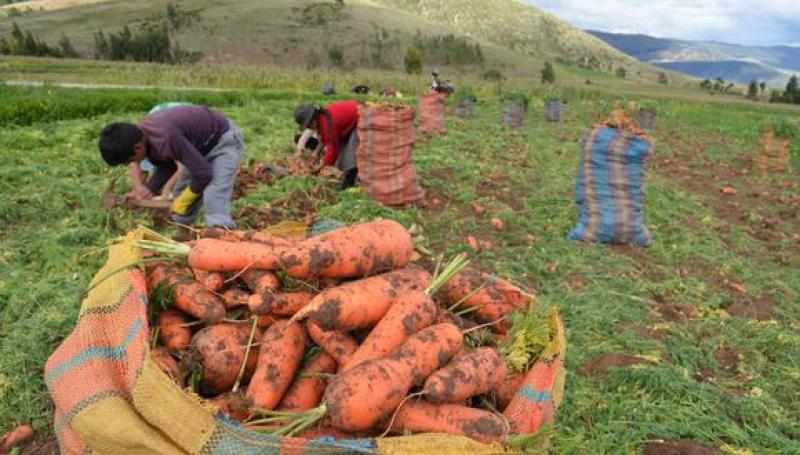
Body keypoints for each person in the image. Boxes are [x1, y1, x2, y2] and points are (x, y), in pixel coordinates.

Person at [98, 105, 244, 228]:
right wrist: (149, 190)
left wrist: (184, 201)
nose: (131, 164)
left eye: (129, 160)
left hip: (223, 140)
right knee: (181, 190)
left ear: (137, 148)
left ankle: (220, 231)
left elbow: (204, 174)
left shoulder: (167, 138)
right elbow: (167, 167)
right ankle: (183, 229)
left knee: (214, 192)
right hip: (198, 148)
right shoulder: (143, 137)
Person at [293, 100, 359, 190]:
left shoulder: (327, 123)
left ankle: (350, 180)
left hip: (360, 117)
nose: (308, 127)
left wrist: (319, 167)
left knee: (351, 150)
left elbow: (333, 149)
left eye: (308, 125)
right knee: (342, 152)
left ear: (313, 119)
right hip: (351, 119)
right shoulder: (322, 117)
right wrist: (316, 152)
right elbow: (324, 139)